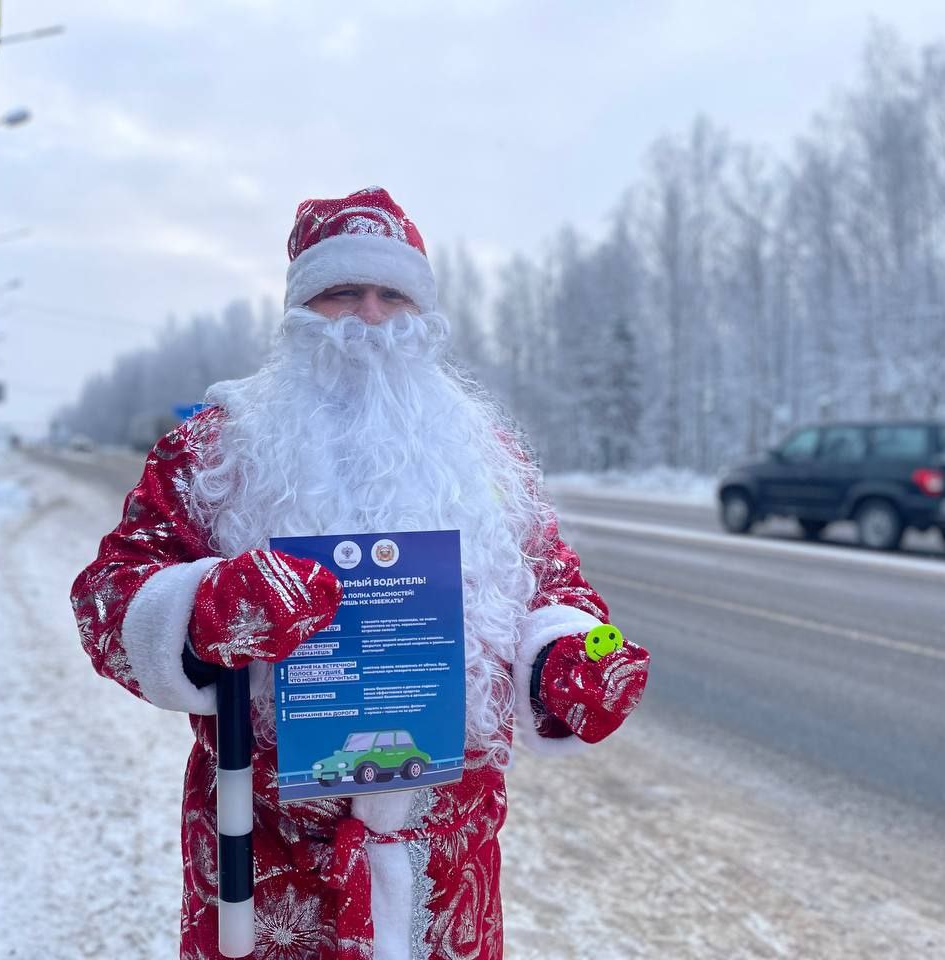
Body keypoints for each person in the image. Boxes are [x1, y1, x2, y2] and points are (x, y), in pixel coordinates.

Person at [71, 187, 649, 960]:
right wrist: (204, 607)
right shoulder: (214, 449)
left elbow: (556, 586)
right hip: (266, 862)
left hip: (447, 872)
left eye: (393, 295)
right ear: (299, 310)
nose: (371, 317)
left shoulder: (484, 455)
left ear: (423, 315)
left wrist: (575, 656)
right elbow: (105, 597)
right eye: (343, 292)